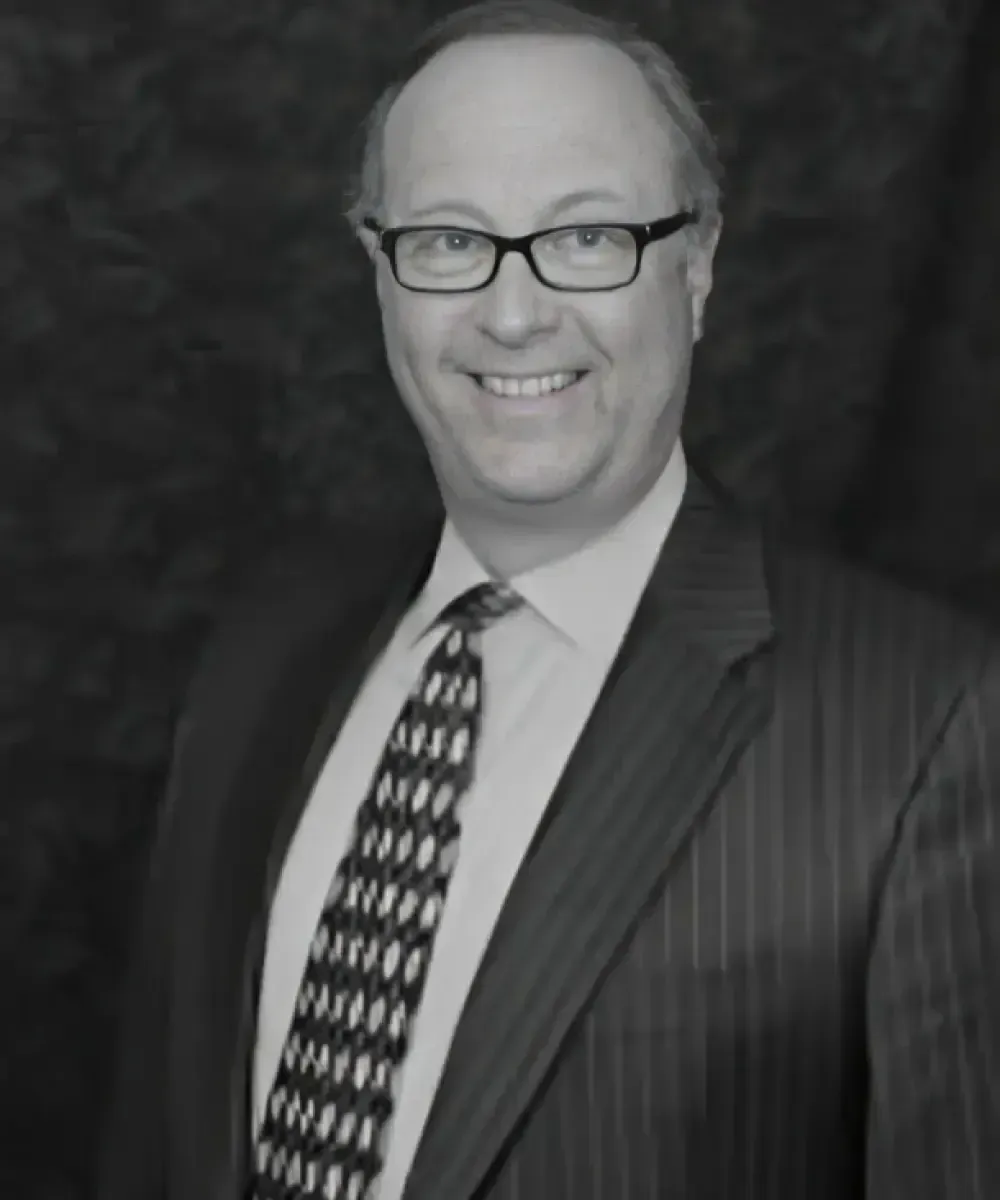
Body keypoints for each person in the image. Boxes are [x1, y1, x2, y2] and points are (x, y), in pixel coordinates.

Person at [97, 2, 1000, 1198]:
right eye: (449, 241)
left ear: (698, 265)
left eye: (587, 239)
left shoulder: (928, 730)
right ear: (380, 274)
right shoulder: (270, 644)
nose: (512, 312)